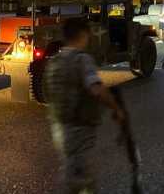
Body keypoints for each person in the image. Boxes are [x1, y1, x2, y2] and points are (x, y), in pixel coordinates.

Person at [44, 17, 126, 194]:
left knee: (72, 167)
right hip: (79, 127)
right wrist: (116, 108)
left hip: (59, 126)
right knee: (82, 178)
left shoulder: (55, 61)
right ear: (83, 35)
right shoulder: (82, 59)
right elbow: (96, 89)